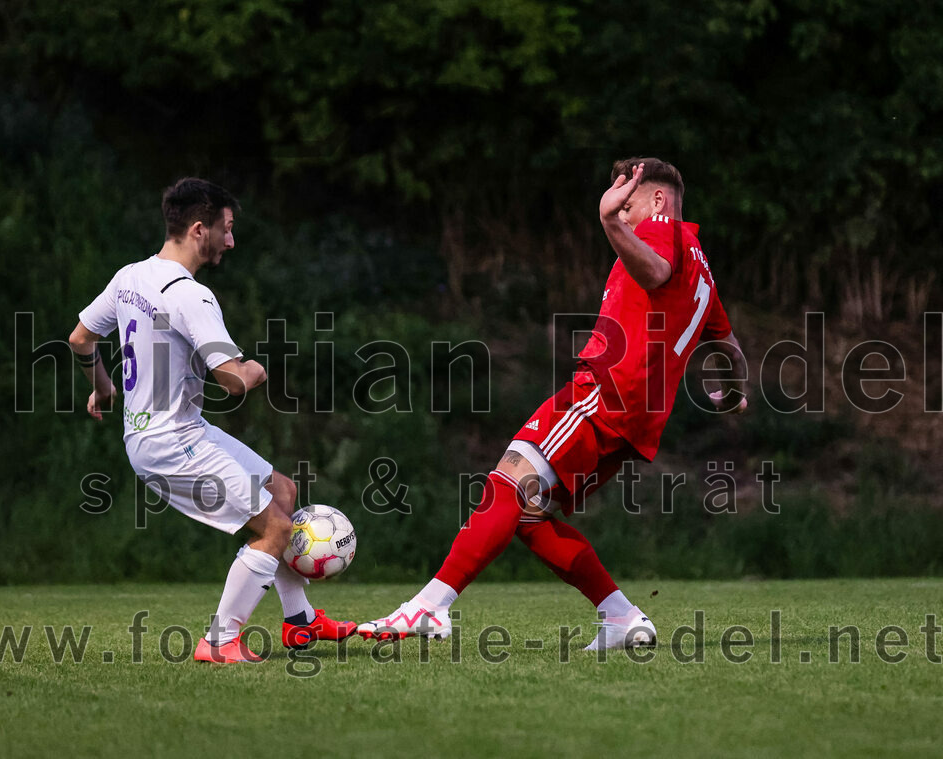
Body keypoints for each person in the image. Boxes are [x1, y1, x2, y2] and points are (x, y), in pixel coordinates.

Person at [358, 158, 748, 650]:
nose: (624, 216)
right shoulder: (702, 272)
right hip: (638, 418)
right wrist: (734, 394)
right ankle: (621, 617)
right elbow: (731, 350)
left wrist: (607, 221)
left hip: (606, 392)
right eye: (618, 211)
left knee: (506, 482)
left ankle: (429, 607)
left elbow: (654, 272)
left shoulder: (662, 229)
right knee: (528, 512)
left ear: (657, 200)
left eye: (627, 206)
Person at [69, 178, 356, 663]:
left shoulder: (129, 277)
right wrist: (257, 368)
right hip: (170, 442)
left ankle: (301, 623)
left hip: (170, 431)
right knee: (275, 530)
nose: (231, 240)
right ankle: (220, 642)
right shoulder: (192, 296)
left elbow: (80, 339)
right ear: (199, 229)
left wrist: (101, 386)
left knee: (283, 493)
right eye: (227, 228)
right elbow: (233, 381)